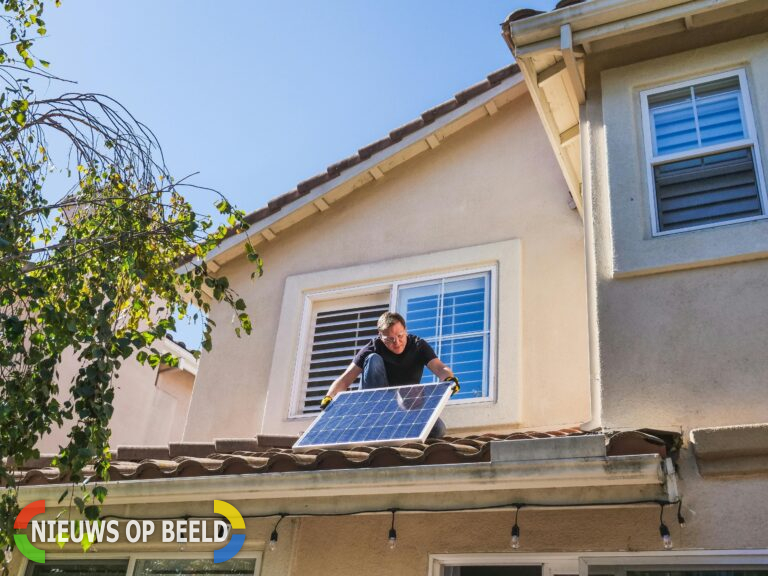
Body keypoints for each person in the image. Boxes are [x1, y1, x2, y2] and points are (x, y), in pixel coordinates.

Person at [319, 312, 460, 438]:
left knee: (438, 430)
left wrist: (449, 379)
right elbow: (344, 380)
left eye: (400, 336)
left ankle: (399, 430)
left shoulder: (418, 345)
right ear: (380, 336)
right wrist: (329, 397)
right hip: (377, 404)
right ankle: (374, 417)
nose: (397, 343)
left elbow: (439, 367)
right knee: (373, 359)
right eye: (390, 339)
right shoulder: (372, 347)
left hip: (406, 405)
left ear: (406, 330)